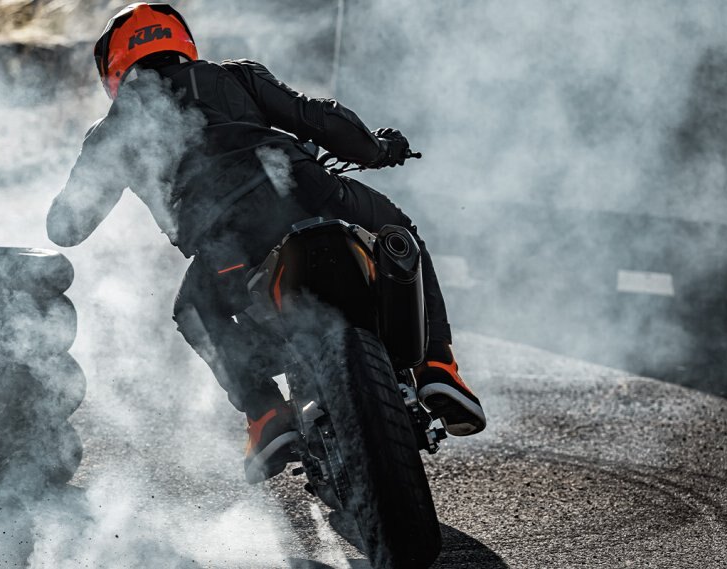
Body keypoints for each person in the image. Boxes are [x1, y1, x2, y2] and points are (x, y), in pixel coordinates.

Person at [47, 2, 487, 483]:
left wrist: (101, 165)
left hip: (226, 238)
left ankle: (265, 413)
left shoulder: (113, 129)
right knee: (397, 234)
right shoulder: (233, 75)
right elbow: (318, 118)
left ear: (112, 67)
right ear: (181, 41)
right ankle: (437, 365)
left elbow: (66, 229)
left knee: (194, 310)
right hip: (303, 189)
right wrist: (377, 149)